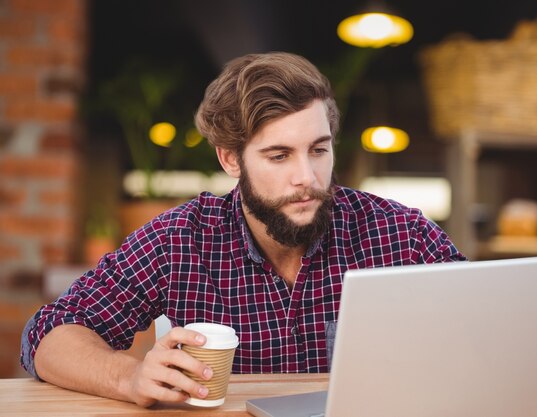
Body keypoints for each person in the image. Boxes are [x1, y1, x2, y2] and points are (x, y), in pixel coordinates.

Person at [21, 52, 465, 407]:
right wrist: (128, 376)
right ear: (231, 160)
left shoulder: (399, 232)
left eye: (318, 150)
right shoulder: (180, 240)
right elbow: (51, 331)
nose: (307, 177)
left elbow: (488, 327)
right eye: (279, 156)